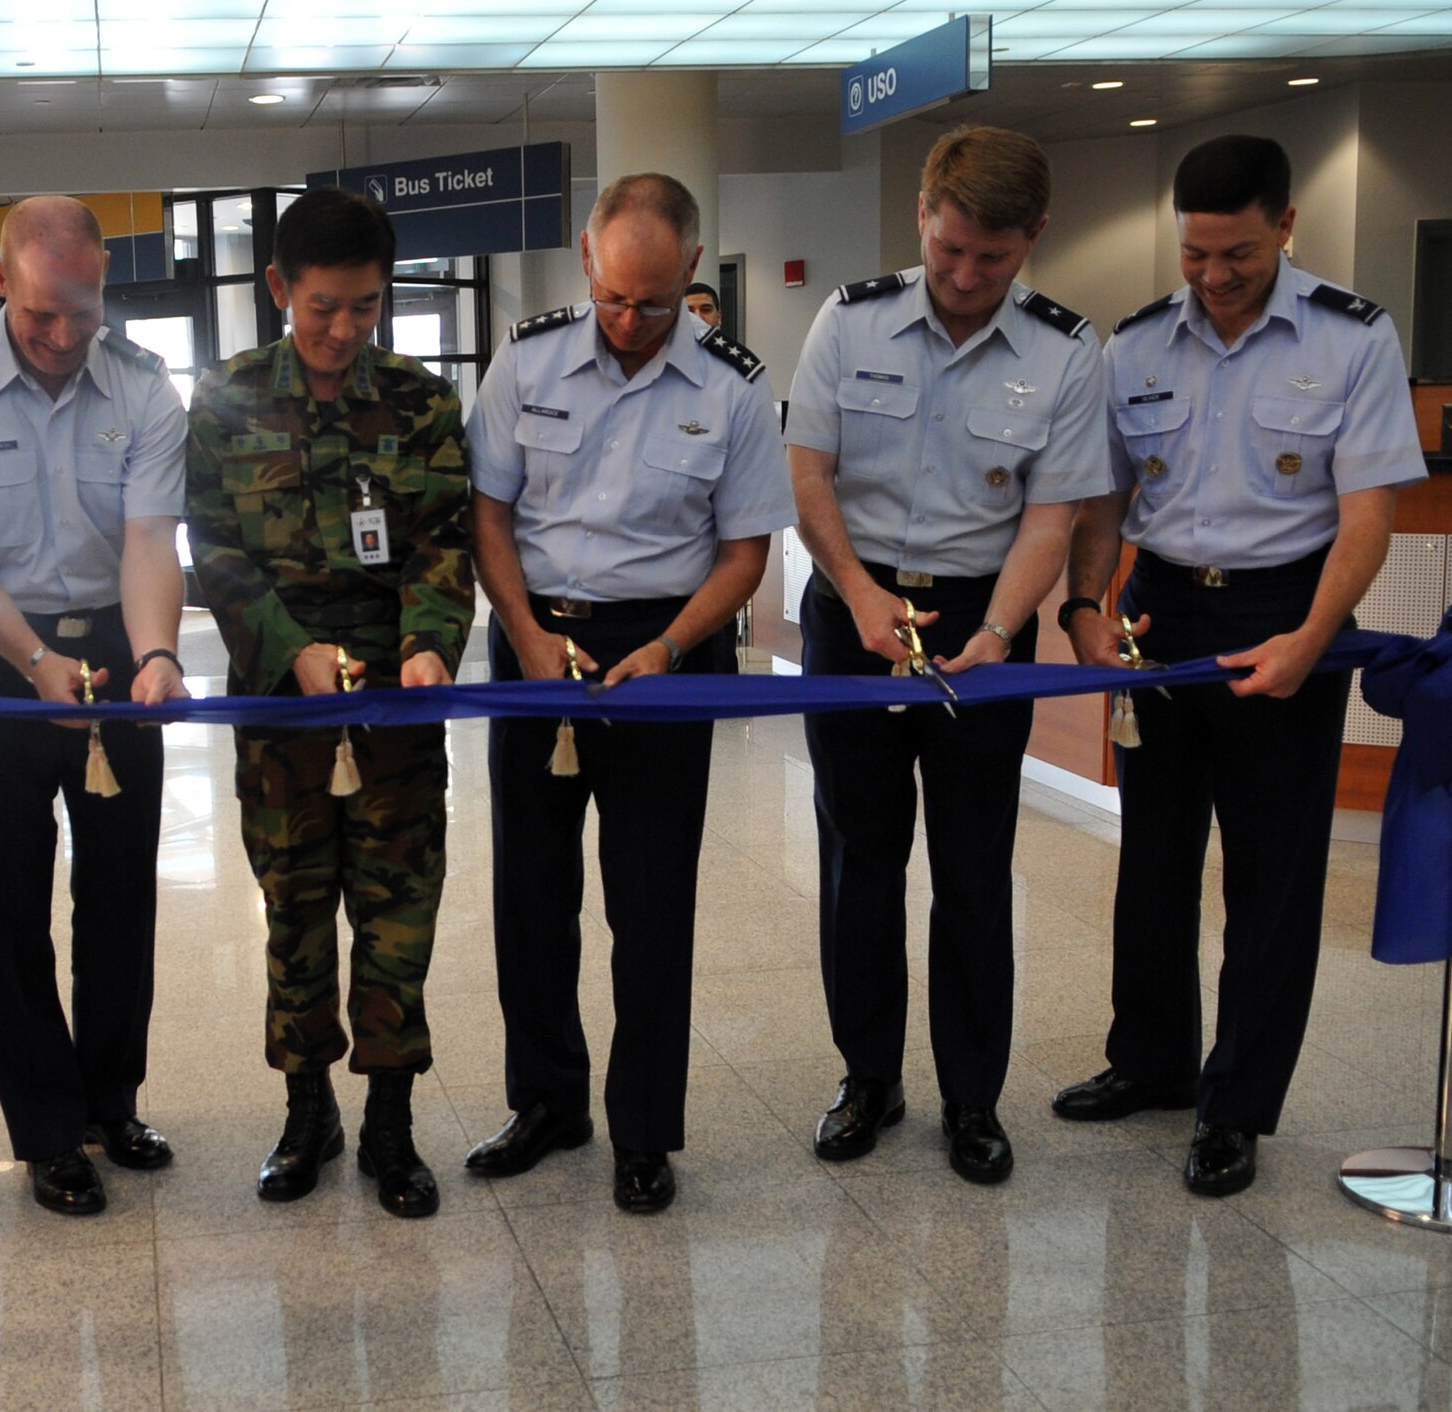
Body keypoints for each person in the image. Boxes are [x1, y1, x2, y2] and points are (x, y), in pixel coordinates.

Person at [1051, 134, 1425, 1195]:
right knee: (1152, 858)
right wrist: (1085, 602)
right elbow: (1102, 500)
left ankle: (1236, 1106)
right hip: (1158, 613)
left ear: (1286, 228)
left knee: (1269, 878)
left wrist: (1309, 641)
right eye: (1195, 257)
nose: (1213, 278)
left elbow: (1365, 516)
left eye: (1239, 256)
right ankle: (1152, 1063)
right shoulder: (1133, 345)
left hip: (1281, 614)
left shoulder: (1350, 339)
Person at [462, 173, 795, 1213]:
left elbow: (745, 552)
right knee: (530, 897)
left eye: (653, 303)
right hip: (533, 641)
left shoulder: (731, 388)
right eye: (612, 295)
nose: (629, 321)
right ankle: (546, 1103)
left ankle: (643, 1130)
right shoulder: (523, 359)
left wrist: (668, 644)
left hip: (664, 653)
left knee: (649, 909)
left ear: (691, 272)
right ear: (584, 256)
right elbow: (485, 516)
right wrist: (522, 635)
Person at [784, 125, 1109, 1185]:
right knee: (858, 858)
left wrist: (996, 632)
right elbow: (809, 475)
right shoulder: (849, 318)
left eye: (993, 258)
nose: (966, 278)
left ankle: (972, 1097)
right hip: (853, 607)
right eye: (949, 249)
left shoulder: (1066, 352)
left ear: (1032, 240)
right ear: (921, 216)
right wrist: (862, 595)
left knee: (972, 867)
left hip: (982, 619)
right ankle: (866, 1079)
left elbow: (1050, 520)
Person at [0, 195, 187, 1217]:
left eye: (83, 312)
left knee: (119, 896)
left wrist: (153, 650)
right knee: (6, 905)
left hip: (112, 642)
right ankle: (47, 1130)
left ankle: (111, 1101)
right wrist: (29, 660)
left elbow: (151, 539)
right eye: (39, 317)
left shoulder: (145, 385)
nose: (63, 339)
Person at [186, 188, 473, 1220]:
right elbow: (211, 550)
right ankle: (305, 1110)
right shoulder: (223, 400)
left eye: (364, 307)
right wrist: (291, 649)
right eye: (322, 309)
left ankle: (390, 1121)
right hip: (280, 710)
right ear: (277, 290)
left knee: (397, 914)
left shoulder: (419, 401)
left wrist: (429, 647)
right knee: (295, 911)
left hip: (398, 708)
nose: (344, 330)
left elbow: (445, 537)